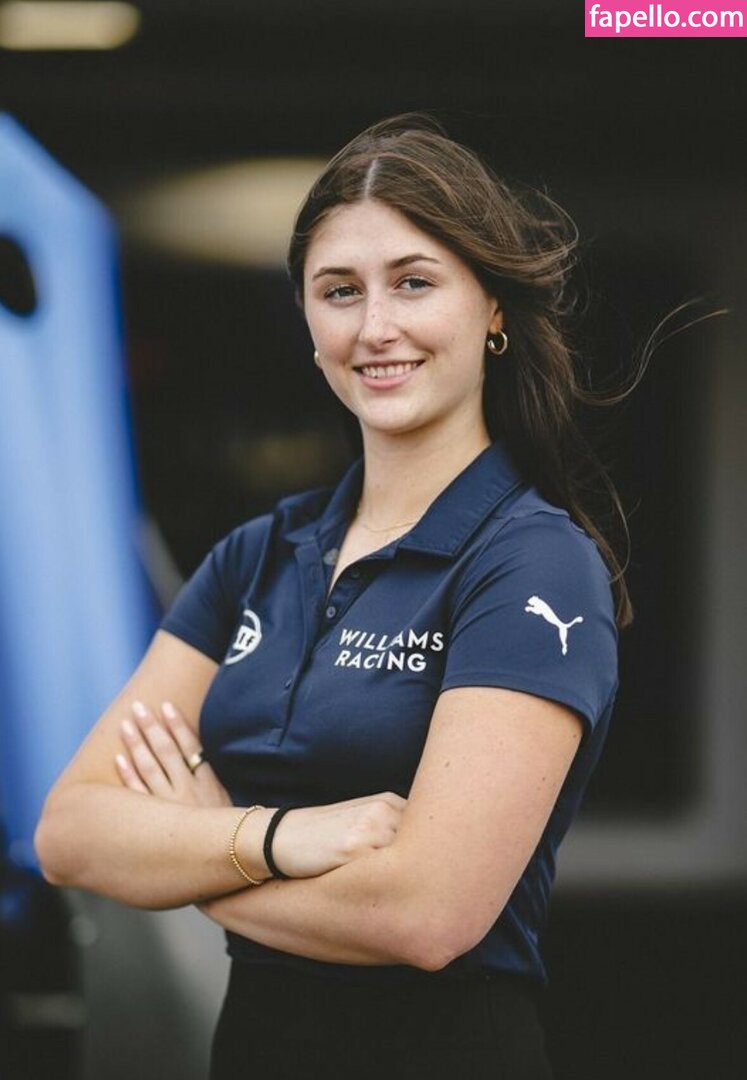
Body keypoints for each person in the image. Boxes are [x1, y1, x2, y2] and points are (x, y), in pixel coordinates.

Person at [35, 114, 626, 1080]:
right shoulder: (257, 557)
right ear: (310, 327)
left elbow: (426, 915)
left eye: (414, 282)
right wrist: (277, 836)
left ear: (492, 310)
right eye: (339, 290)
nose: (374, 326)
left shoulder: (531, 565)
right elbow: (70, 832)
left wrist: (194, 867)